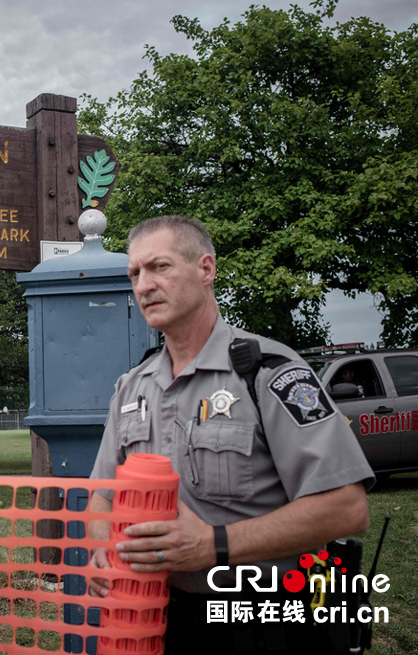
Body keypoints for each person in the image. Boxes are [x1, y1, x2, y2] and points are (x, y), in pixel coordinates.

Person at [87, 215, 373, 653]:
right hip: (160, 618)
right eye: (135, 273)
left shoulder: (269, 372)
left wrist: (212, 546)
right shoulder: (132, 386)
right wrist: (101, 550)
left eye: (159, 267)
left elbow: (347, 508)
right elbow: (101, 495)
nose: (143, 285)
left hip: (265, 618)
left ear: (206, 270)